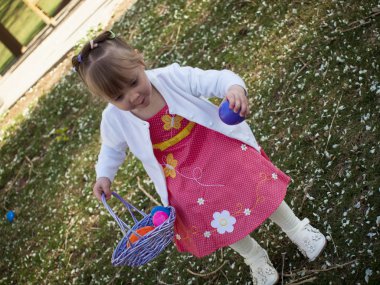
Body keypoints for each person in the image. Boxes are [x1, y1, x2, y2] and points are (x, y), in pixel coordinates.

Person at [72, 31, 327, 285]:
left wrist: (233, 88)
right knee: (205, 209)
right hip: (178, 171)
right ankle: (254, 257)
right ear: (106, 100)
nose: (132, 96)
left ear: (140, 63)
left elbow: (213, 79)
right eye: (118, 97)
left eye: (133, 82)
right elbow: (112, 149)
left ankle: (296, 228)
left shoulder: (169, 78)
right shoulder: (114, 119)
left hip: (214, 145)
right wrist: (104, 174)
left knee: (250, 178)